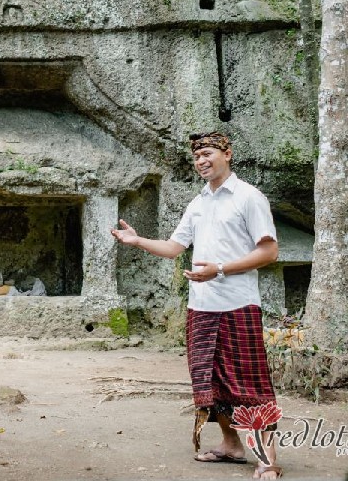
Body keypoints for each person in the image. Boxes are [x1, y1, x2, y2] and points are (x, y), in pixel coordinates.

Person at [111, 132, 282, 480]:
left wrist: (219, 269)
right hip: (201, 307)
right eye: (196, 157)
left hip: (238, 305)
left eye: (207, 154)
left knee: (250, 382)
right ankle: (231, 445)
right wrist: (137, 240)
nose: (201, 161)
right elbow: (175, 247)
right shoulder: (198, 202)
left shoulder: (249, 197)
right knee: (209, 380)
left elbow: (269, 252)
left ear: (227, 154)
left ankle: (267, 458)